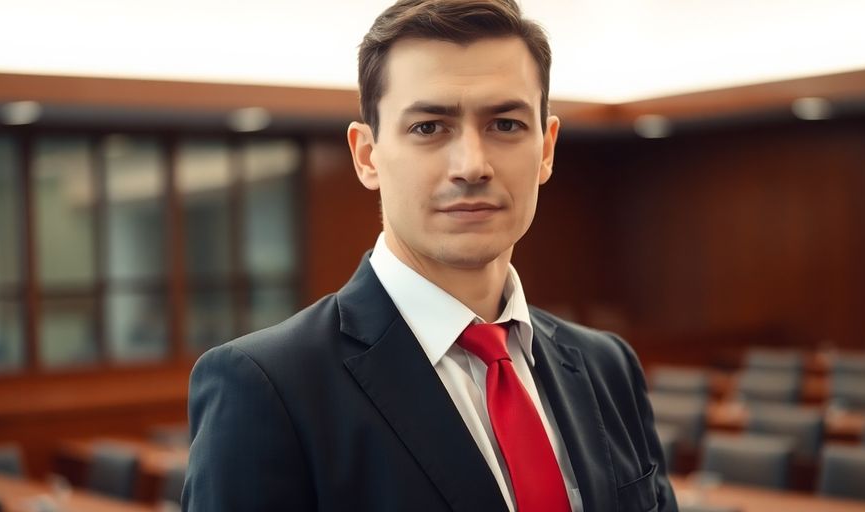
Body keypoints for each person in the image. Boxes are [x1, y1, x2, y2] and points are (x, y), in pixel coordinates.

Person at [182, 1, 677, 511]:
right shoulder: (267, 388)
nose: (471, 165)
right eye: (429, 127)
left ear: (546, 149)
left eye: (505, 125)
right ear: (366, 155)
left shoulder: (607, 366)